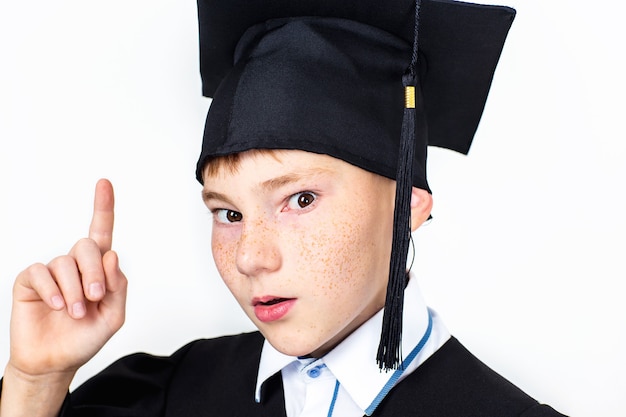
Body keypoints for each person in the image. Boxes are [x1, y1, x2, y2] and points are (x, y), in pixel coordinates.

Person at [0, 0, 567, 416]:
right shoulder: (178, 396)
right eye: (228, 213)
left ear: (408, 205)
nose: (250, 257)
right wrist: (33, 382)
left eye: (299, 199)